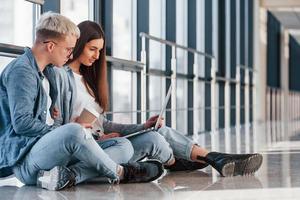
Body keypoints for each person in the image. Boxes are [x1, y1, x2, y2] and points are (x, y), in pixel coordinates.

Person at [57, 20, 263, 178]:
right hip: (89, 149)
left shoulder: (89, 81)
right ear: (78, 44)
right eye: (92, 49)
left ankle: (212, 157)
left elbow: (105, 124)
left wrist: (142, 125)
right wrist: (97, 138)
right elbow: (61, 129)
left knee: (156, 130)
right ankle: (187, 160)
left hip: (107, 143)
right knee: (155, 139)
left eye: (100, 51)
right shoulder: (61, 77)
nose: (96, 56)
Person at [0, 12, 165, 191]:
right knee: (74, 131)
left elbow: (50, 120)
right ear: (50, 46)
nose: (71, 55)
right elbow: (22, 124)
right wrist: (63, 130)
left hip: (51, 154)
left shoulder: (49, 74)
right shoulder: (22, 72)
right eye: (68, 49)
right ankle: (121, 173)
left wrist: (67, 126)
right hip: (26, 160)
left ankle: (67, 176)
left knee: (123, 146)